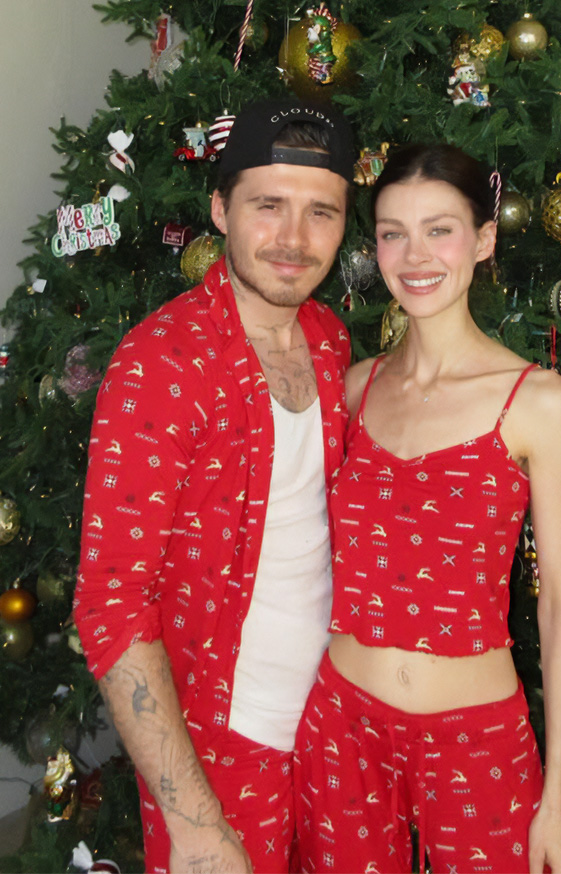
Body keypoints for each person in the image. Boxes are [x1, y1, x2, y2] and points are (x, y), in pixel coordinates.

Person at [74, 98, 355, 874]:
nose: (295, 240)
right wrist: (193, 821)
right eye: (269, 206)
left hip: (339, 732)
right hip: (224, 750)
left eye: (321, 213)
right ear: (220, 210)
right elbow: (110, 603)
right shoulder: (160, 365)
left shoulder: (330, 340)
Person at [294, 143, 561, 874]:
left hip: (476, 740)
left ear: (483, 240)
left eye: (440, 229)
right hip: (341, 727)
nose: (414, 255)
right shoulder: (355, 389)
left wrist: (558, 798)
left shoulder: (538, 403)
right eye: (393, 232)